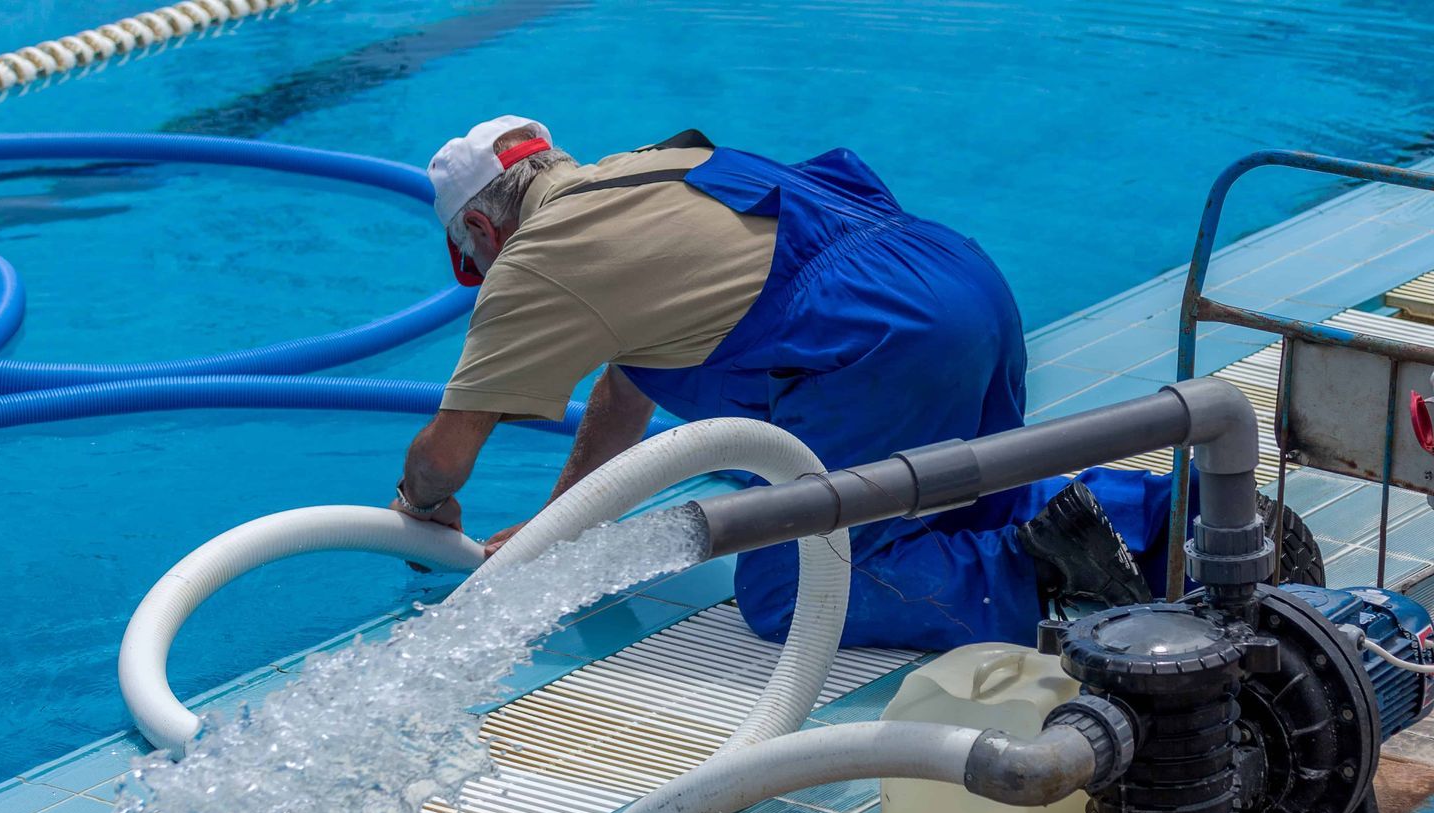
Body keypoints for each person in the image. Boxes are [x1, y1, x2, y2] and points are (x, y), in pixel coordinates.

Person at [388, 116, 1233, 652]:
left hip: (875, 343)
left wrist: (422, 507)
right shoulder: (651, 168)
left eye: (474, 263)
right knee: (962, 501)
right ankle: (1180, 523)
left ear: (481, 227)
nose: (483, 273)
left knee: (795, 585)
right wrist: (556, 527)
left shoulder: (536, 262)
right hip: (957, 279)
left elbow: (446, 459)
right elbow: (624, 392)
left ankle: (1067, 584)